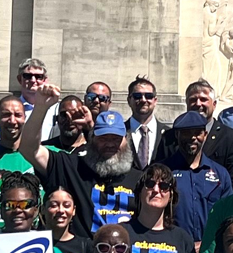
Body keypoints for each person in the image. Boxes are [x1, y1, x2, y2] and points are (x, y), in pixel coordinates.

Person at [23, 85, 143, 234]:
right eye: (103, 138)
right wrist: (40, 107)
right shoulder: (72, 167)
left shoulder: (140, 180)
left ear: (126, 140)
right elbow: (29, 149)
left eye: (116, 139)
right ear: (91, 139)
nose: (110, 144)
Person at [125, 164, 199, 253]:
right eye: (150, 184)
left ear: (171, 195)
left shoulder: (182, 238)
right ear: (139, 191)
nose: (156, 190)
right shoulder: (124, 233)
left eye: (164, 186)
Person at [164, 111, 233, 247]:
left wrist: (208, 244)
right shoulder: (164, 172)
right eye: (186, 133)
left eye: (197, 133)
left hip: (210, 252)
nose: (192, 138)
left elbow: (228, 217)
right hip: (172, 250)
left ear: (205, 135)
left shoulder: (220, 174)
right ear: (177, 135)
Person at [162, 78, 233, 173]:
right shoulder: (169, 138)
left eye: (203, 99)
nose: (198, 104)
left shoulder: (231, 138)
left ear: (214, 104)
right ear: (187, 103)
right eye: (193, 99)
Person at [43, 186, 93, 253]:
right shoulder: (34, 242)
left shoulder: (86, 246)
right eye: (54, 205)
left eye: (66, 205)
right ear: (43, 209)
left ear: (73, 210)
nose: (61, 210)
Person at [126, 75, 166, 168]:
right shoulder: (120, 133)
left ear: (155, 101)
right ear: (129, 100)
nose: (143, 100)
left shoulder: (168, 134)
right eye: (137, 96)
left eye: (148, 96)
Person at [16, 57, 59, 141]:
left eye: (38, 76)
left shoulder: (56, 109)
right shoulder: (12, 109)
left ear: (45, 80)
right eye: (28, 76)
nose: (33, 80)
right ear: (19, 79)